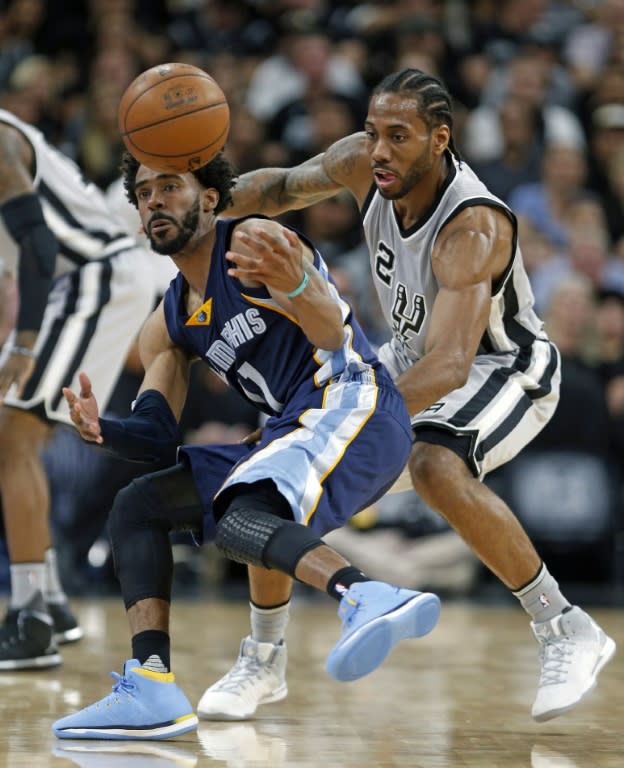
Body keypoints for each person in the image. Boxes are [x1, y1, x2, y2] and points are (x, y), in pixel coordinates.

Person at [197, 67, 616, 723]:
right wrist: (201, 202)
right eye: (373, 133)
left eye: (399, 136)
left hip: (500, 365)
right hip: (410, 354)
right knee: (279, 475)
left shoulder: (471, 227)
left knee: (432, 463)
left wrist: (342, 416)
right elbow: (275, 189)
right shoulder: (363, 166)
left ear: (439, 139)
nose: (381, 150)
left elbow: (451, 366)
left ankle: (563, 626)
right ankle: (264, 662)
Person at [51, 150, 441, 741]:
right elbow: (157, 432)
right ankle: (151, 683)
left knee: (241, 512)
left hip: (353, 400)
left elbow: (333, 332)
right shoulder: (169, 320)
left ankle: (366, 595)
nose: (155, 200)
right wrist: (103, 430)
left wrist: (300, 282)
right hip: (291, 427)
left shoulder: (252, 240)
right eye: (145, 193)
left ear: (210, 198)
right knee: (138, 506)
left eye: (171, 187)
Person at [0, 108, 158, 669]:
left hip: (96, 275)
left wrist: (21, 346)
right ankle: (49, 602)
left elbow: (41, 249)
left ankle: (31, 618)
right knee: (15, 438)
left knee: (11, 436)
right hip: (83, 281)